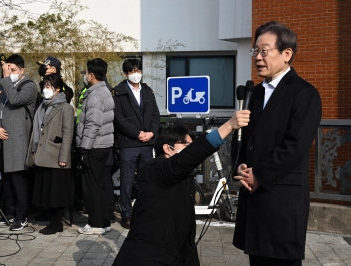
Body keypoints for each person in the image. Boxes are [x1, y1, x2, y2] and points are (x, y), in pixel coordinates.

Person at [231, 21, 322, 266]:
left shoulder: (304, 93)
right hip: (254, 198)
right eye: (255, 51)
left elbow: (295, 145)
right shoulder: (255, 93)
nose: (258, 58)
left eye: (264, 51)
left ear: (286, 54)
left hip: (281, 199)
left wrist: (259, 174)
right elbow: (243, 139)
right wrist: (239, 166)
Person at [112, 110, 250, 266]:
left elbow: (186, 237)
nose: (190, 149)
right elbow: (187, 158)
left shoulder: (184, 178)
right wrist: (229, 126)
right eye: (187, 145)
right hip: (147, 256)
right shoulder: (154, 168)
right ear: (168, 148)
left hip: (177, 253)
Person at [0, 54, 38, 231]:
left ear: (22, 70)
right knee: (7, 181)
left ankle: (22, 216)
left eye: (13, 70)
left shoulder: (29, 86)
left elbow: (15, 100)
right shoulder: (7, 87)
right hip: (3, 140)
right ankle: (9, 213)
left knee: (19, 181)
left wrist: (5, 79)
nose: (10, 73)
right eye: (7, 69)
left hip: (18, 141)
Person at [113, 58, 160, 229]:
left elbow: (155, 114)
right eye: (132, 71)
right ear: (125, 73)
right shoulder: (118, 92)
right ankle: (126, 213)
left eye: (138, 70)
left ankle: (144, 211)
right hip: (128, 143)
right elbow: (118, 119)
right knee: (126, 181)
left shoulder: (147, 90)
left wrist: (152, 133)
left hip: (147, 143)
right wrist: (137, 133)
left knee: (146, 179)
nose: (136, 74)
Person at [26, 74, 74, 234]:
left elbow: (68, 134)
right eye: (44, 86)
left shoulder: (65, 107)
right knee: (46, 189)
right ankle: (51, 219)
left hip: (56, 154)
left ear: (58, 89)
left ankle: (57, 222)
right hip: (42, 153)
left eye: (48, 87)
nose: (45, 90)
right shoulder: (42, 106)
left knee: (57, 191)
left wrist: (63, 157)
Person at [76, 58, 114, 235]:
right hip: (103, 146)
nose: (85, 76)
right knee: (100, 186)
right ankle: (103, 221)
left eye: (86, 73)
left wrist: (84, 149)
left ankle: (96, 223)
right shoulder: (104, 91)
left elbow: (93, 124)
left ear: (91, 75)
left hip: (94, 147)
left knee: (91, 187)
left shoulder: (95, 95)